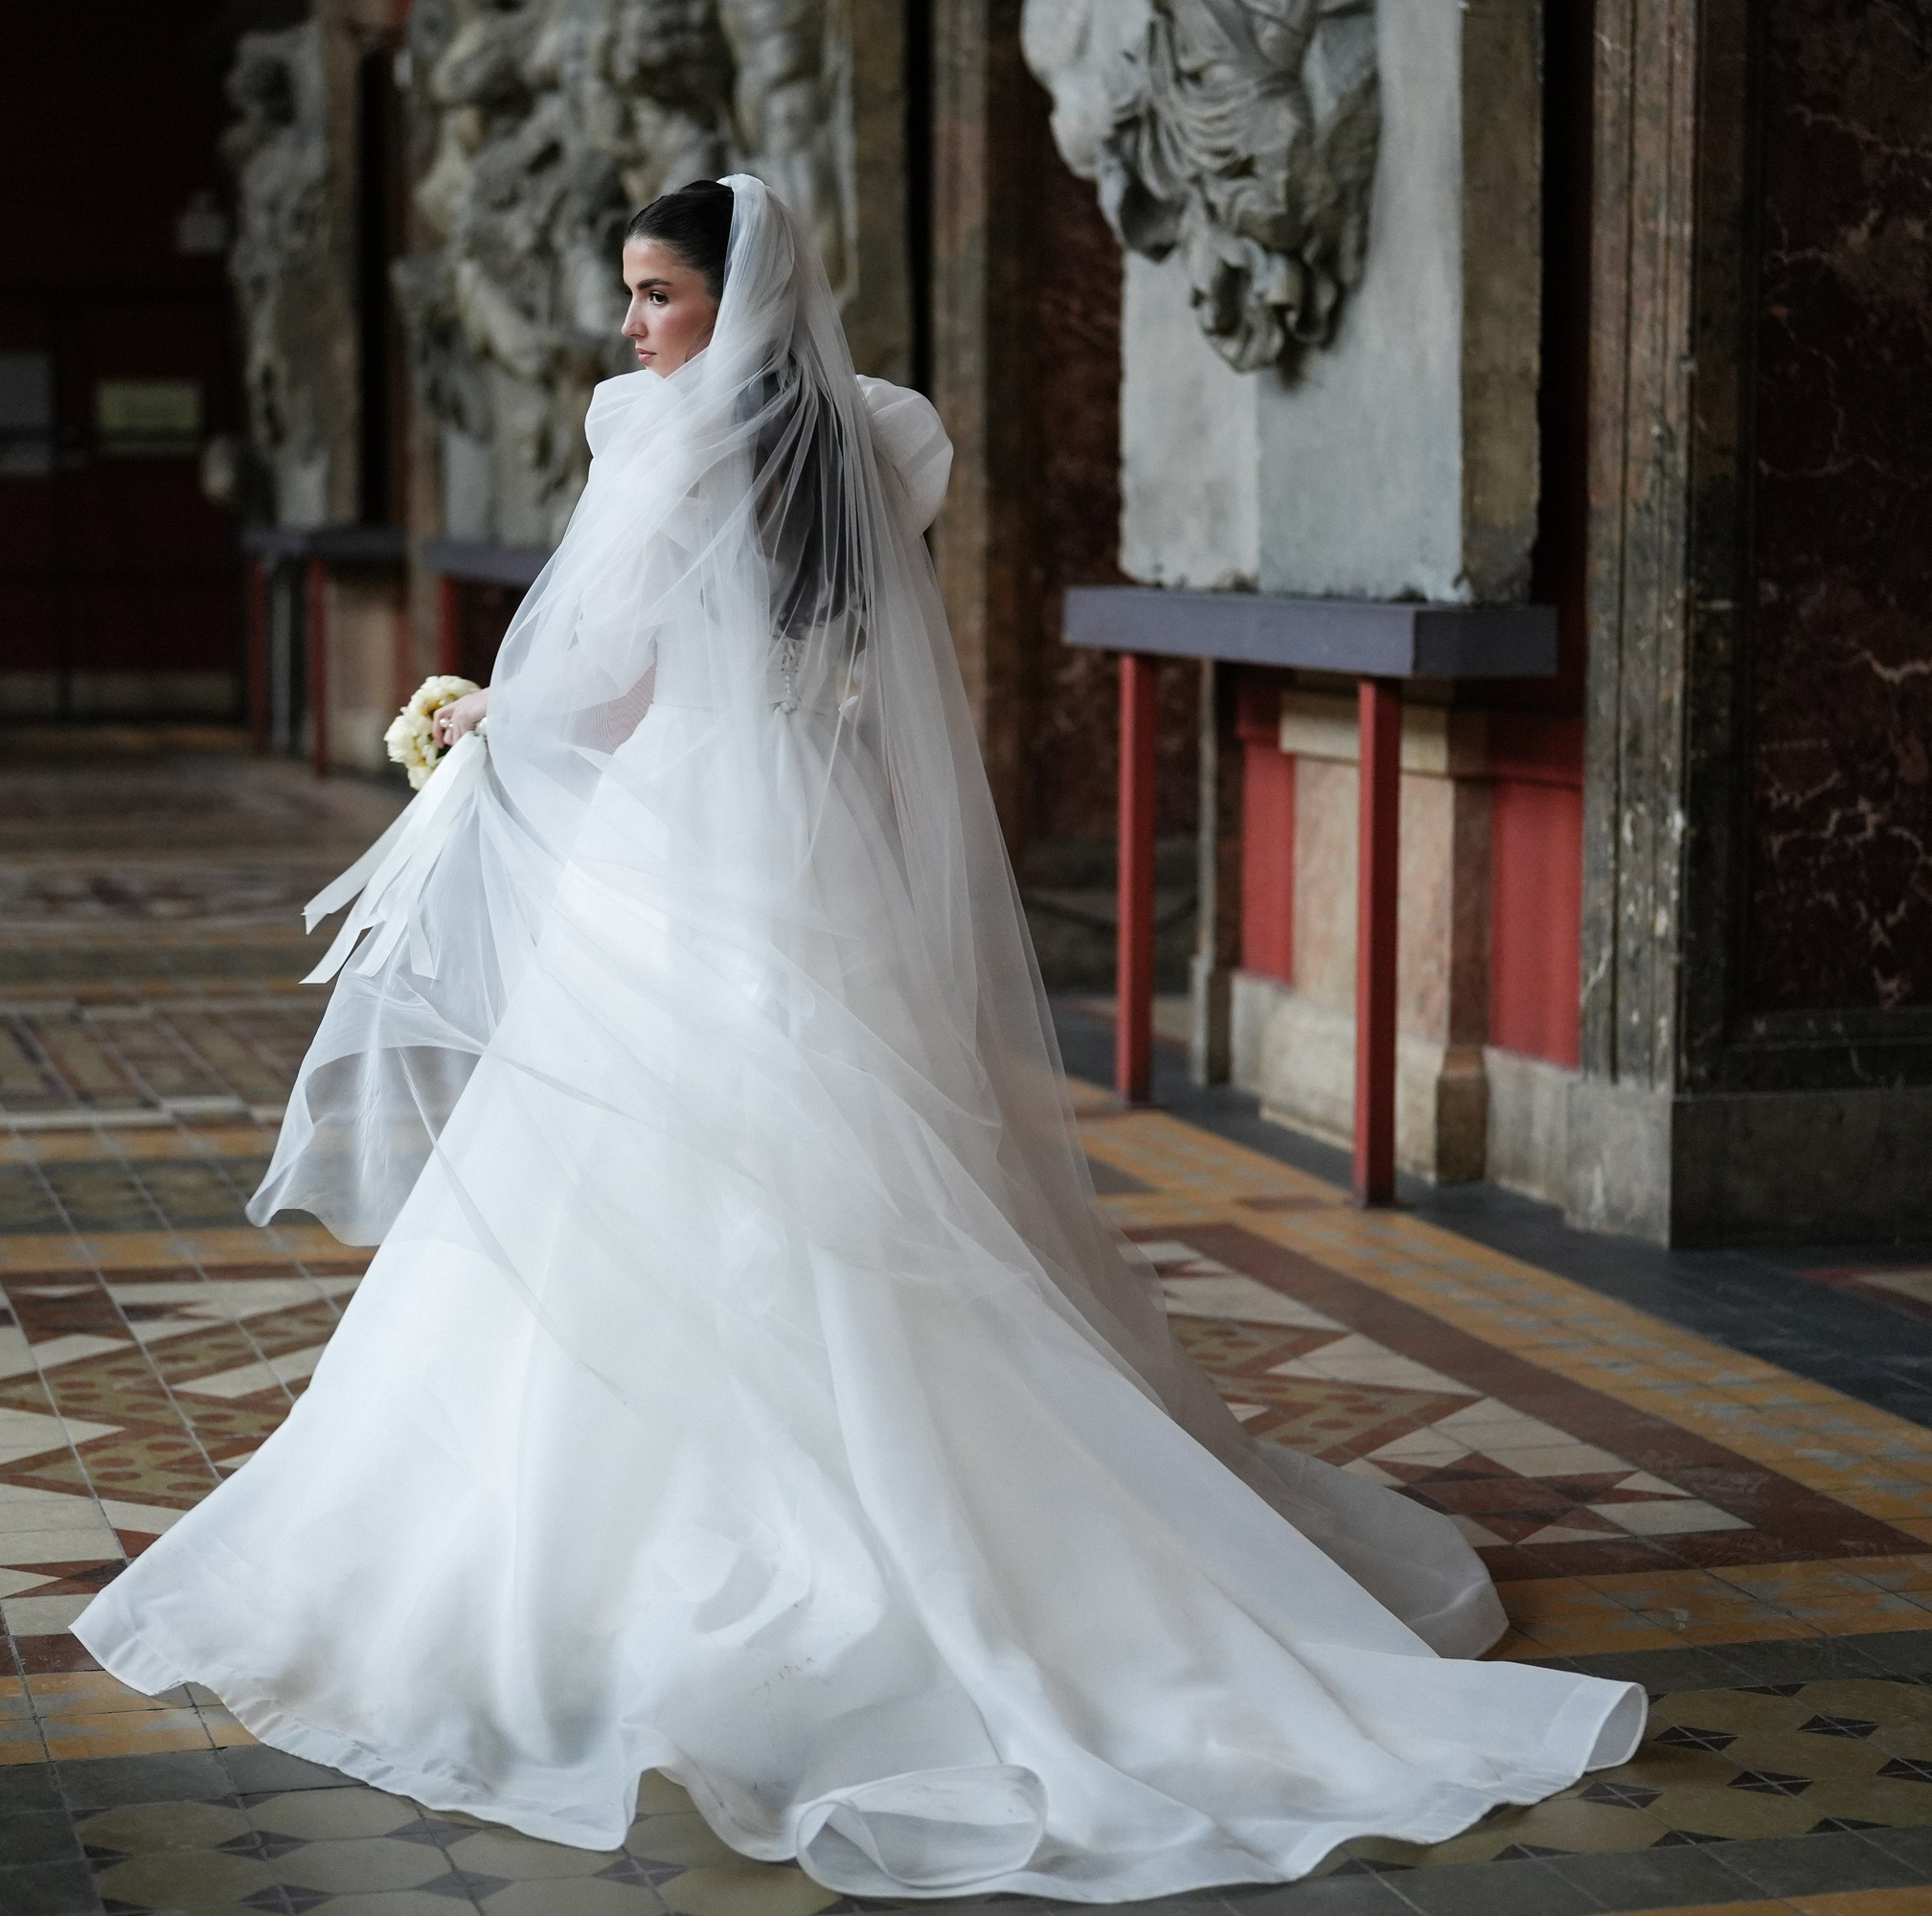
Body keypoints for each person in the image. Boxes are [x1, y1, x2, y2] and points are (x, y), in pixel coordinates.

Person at [75, 175, 1644, 1904]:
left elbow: (603, 683)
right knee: (841, 1184)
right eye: (631, 296)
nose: (633, 326)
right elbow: (844, 662)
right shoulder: (873, 441)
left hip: (677, 838)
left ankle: (694, 1556)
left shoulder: (665, 443)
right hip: (814, 848)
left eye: (656, 294)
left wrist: (474, 727)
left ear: (725, 299)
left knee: (635, 1179)